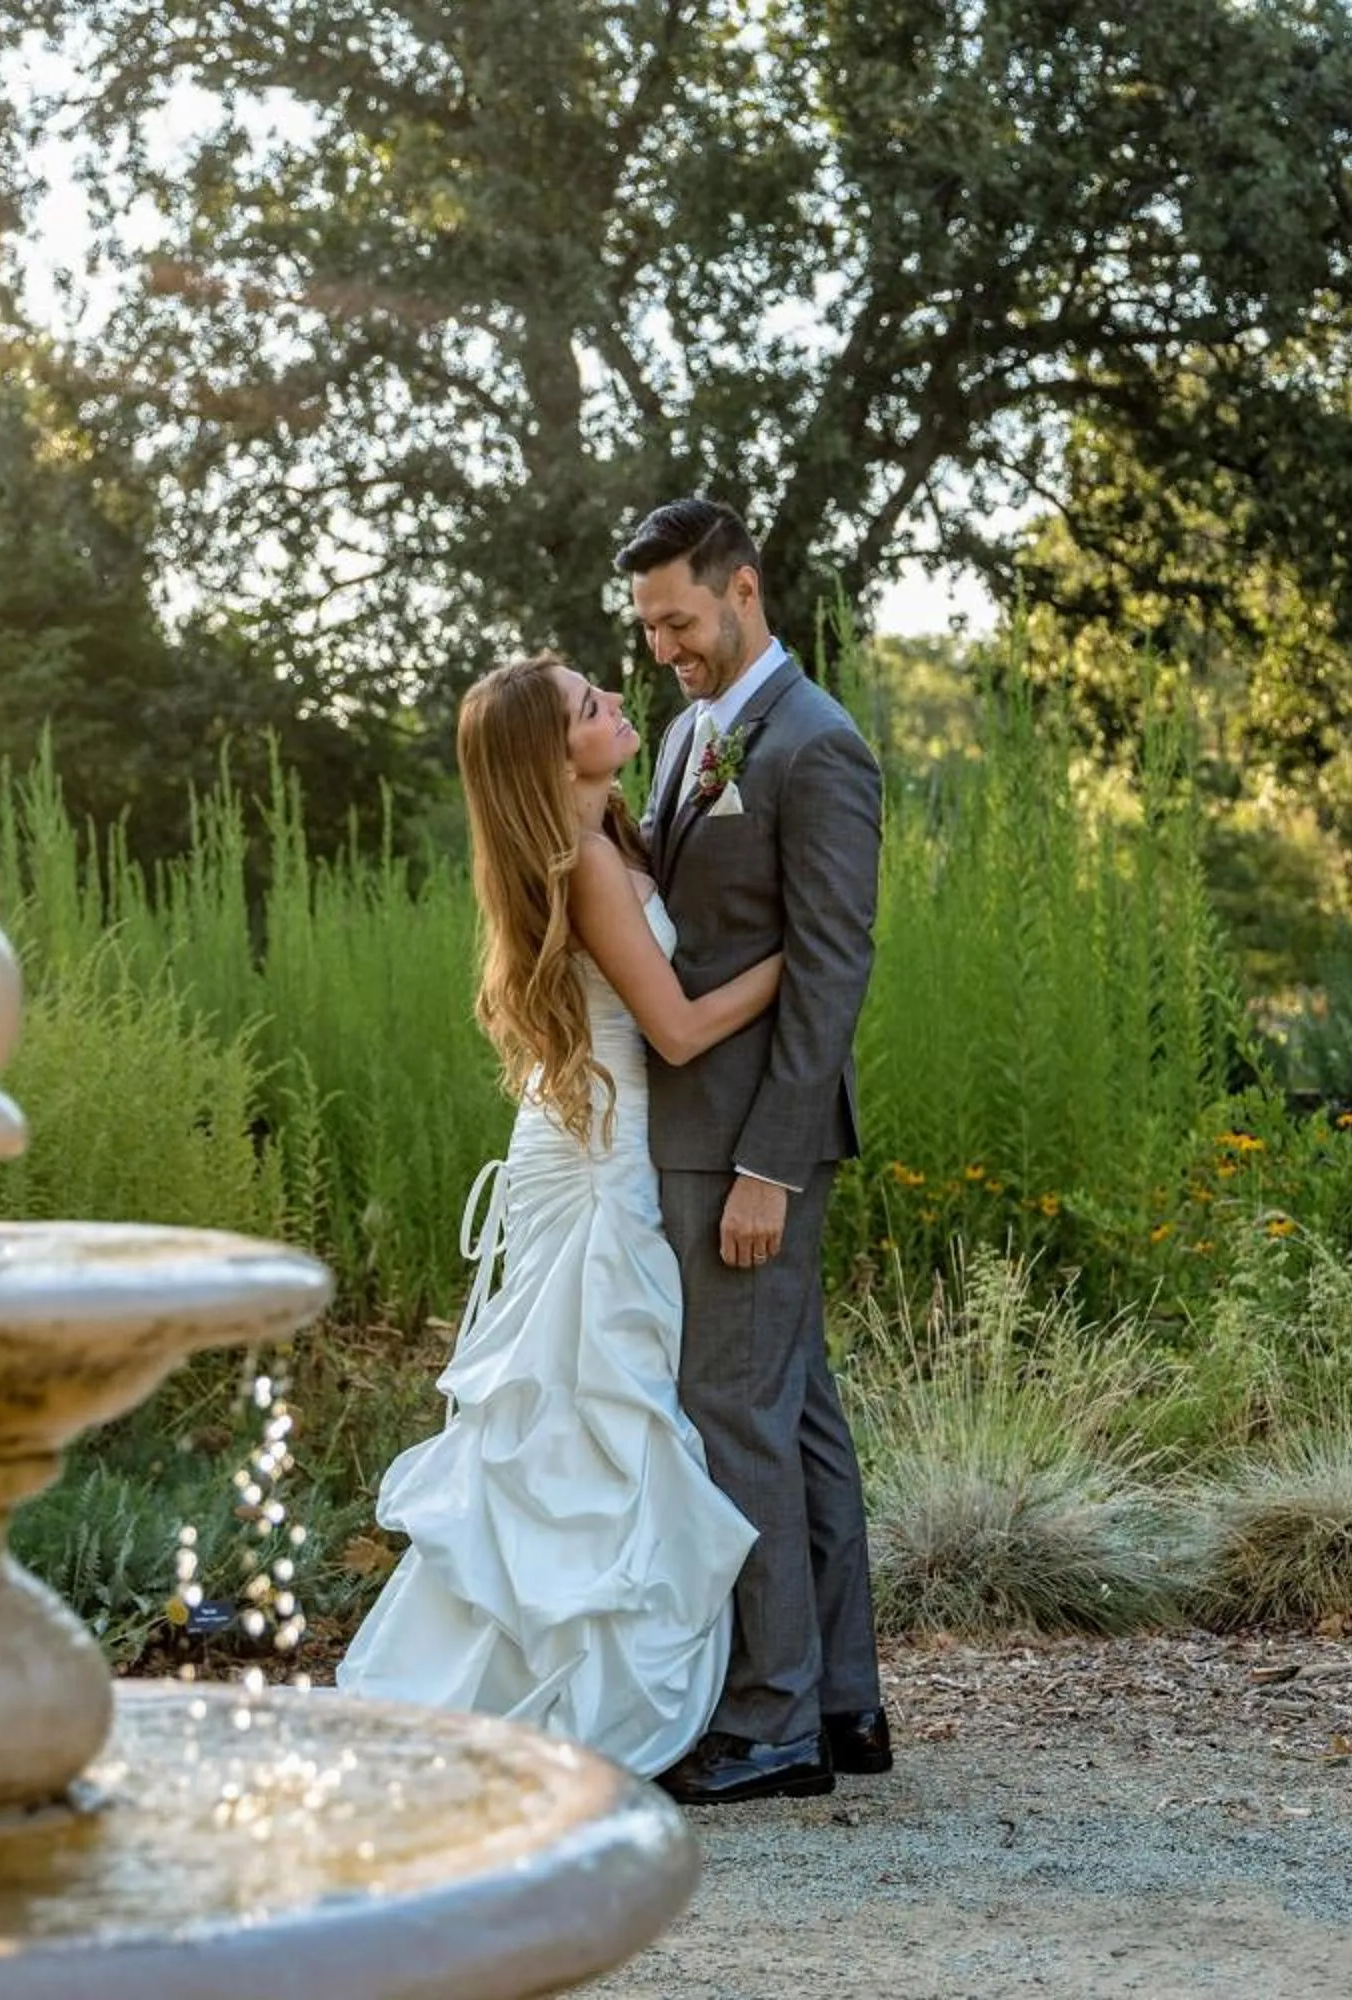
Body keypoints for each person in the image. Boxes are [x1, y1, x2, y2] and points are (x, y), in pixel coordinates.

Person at [334, 653, 768, 1778]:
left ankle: (560, 1666)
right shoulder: (581, 869)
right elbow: (673, 1030)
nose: (618, 702)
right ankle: (551, 1689)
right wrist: (800, 961)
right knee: (573, 1415)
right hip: (592, 1158)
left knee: (586, 1412)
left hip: (588, 1135)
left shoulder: (615, 840)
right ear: (551, 753)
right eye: (591, 706)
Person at [620, 497, 888, 1807]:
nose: (665, 644)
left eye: (679, 617)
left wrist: (770, 1167)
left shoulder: (816, 746)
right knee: (796, 1417)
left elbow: (830, 975)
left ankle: (769, 1721)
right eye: (649, 625)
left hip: (745, 1146)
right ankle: (842, 1702)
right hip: (695, 1129)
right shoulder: (691, 734)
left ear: (742, 586)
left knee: (734, 1416)